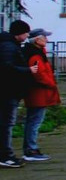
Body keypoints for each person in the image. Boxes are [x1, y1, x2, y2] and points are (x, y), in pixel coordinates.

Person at [1, 20, 38, 168]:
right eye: (26, 32)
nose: (28, 35)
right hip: (7, 92)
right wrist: (28, 70)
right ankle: (6, 155)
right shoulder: (8, 47)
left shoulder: (10, 45)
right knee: (6, 124)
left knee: (6, 123)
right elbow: (6, 68)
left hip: (9, 91)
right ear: (19, 33)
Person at [21, 28, 58, 162]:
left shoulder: (35, 53)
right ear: (37, 40)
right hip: (38, 92)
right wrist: (51, 84)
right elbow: (40, 74)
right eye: (45, 37)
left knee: (33, 120)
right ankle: (31, 149)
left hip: (37, 92)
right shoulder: (35, 55)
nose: (47, 40)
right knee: (34, 121)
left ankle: (30, 148)